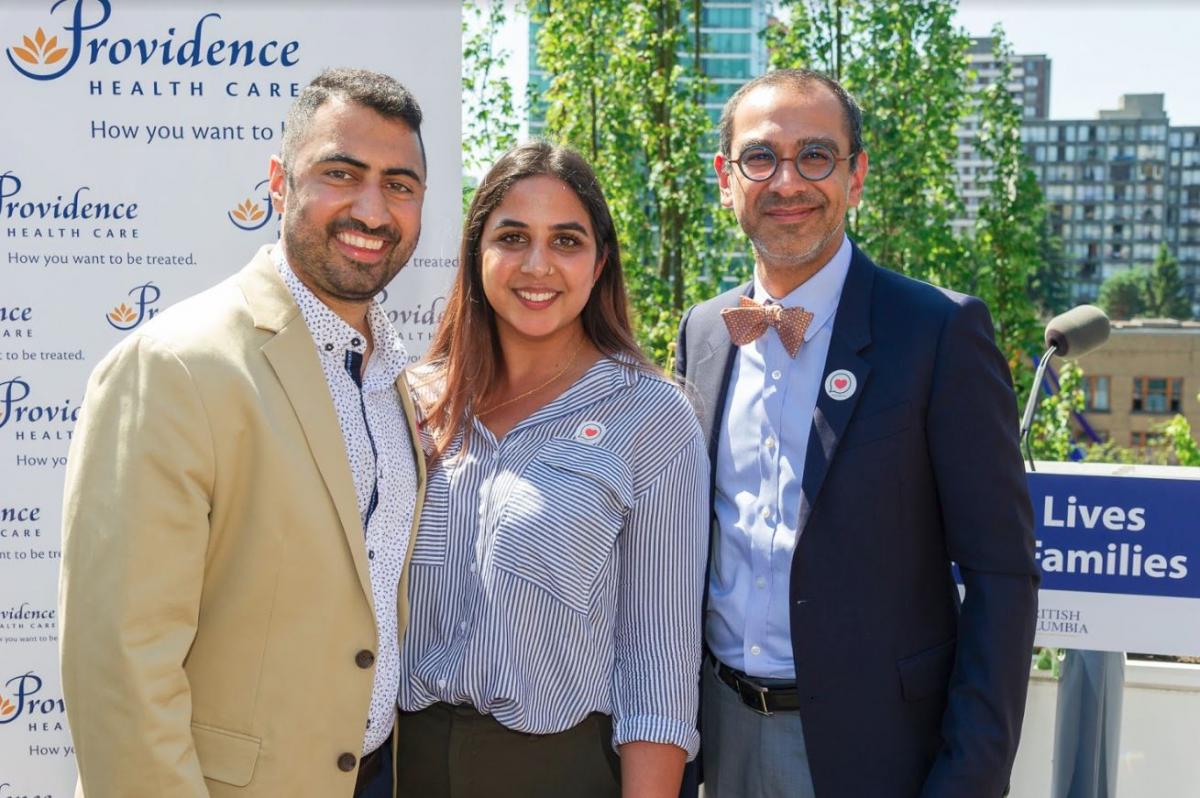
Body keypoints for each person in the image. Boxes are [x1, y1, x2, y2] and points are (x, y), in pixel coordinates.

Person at [59, 68, 428, 798]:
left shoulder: (393, 380)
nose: (371, 207)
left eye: (399, 184)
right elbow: (119, 664)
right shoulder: (175, 365)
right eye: (340, 173)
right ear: (278, 181)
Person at [675, 69, 1040, 797]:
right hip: (714, 736)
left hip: (877, 755)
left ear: (856, 175)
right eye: (760, 158)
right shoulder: (704, 331)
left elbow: (1002, 575)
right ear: (725, 178)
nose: (788, 182)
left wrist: (969, 778)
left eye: (816, 156)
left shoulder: (938, 332)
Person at [398, 140, 708, 798]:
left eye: (566, 241)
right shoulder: (407, 402)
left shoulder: (652, 416)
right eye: (512, 236)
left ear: (600, 264)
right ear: (477, 253)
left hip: (561, 771)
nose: (537, 265)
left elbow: (660, 670)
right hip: (399, 766)